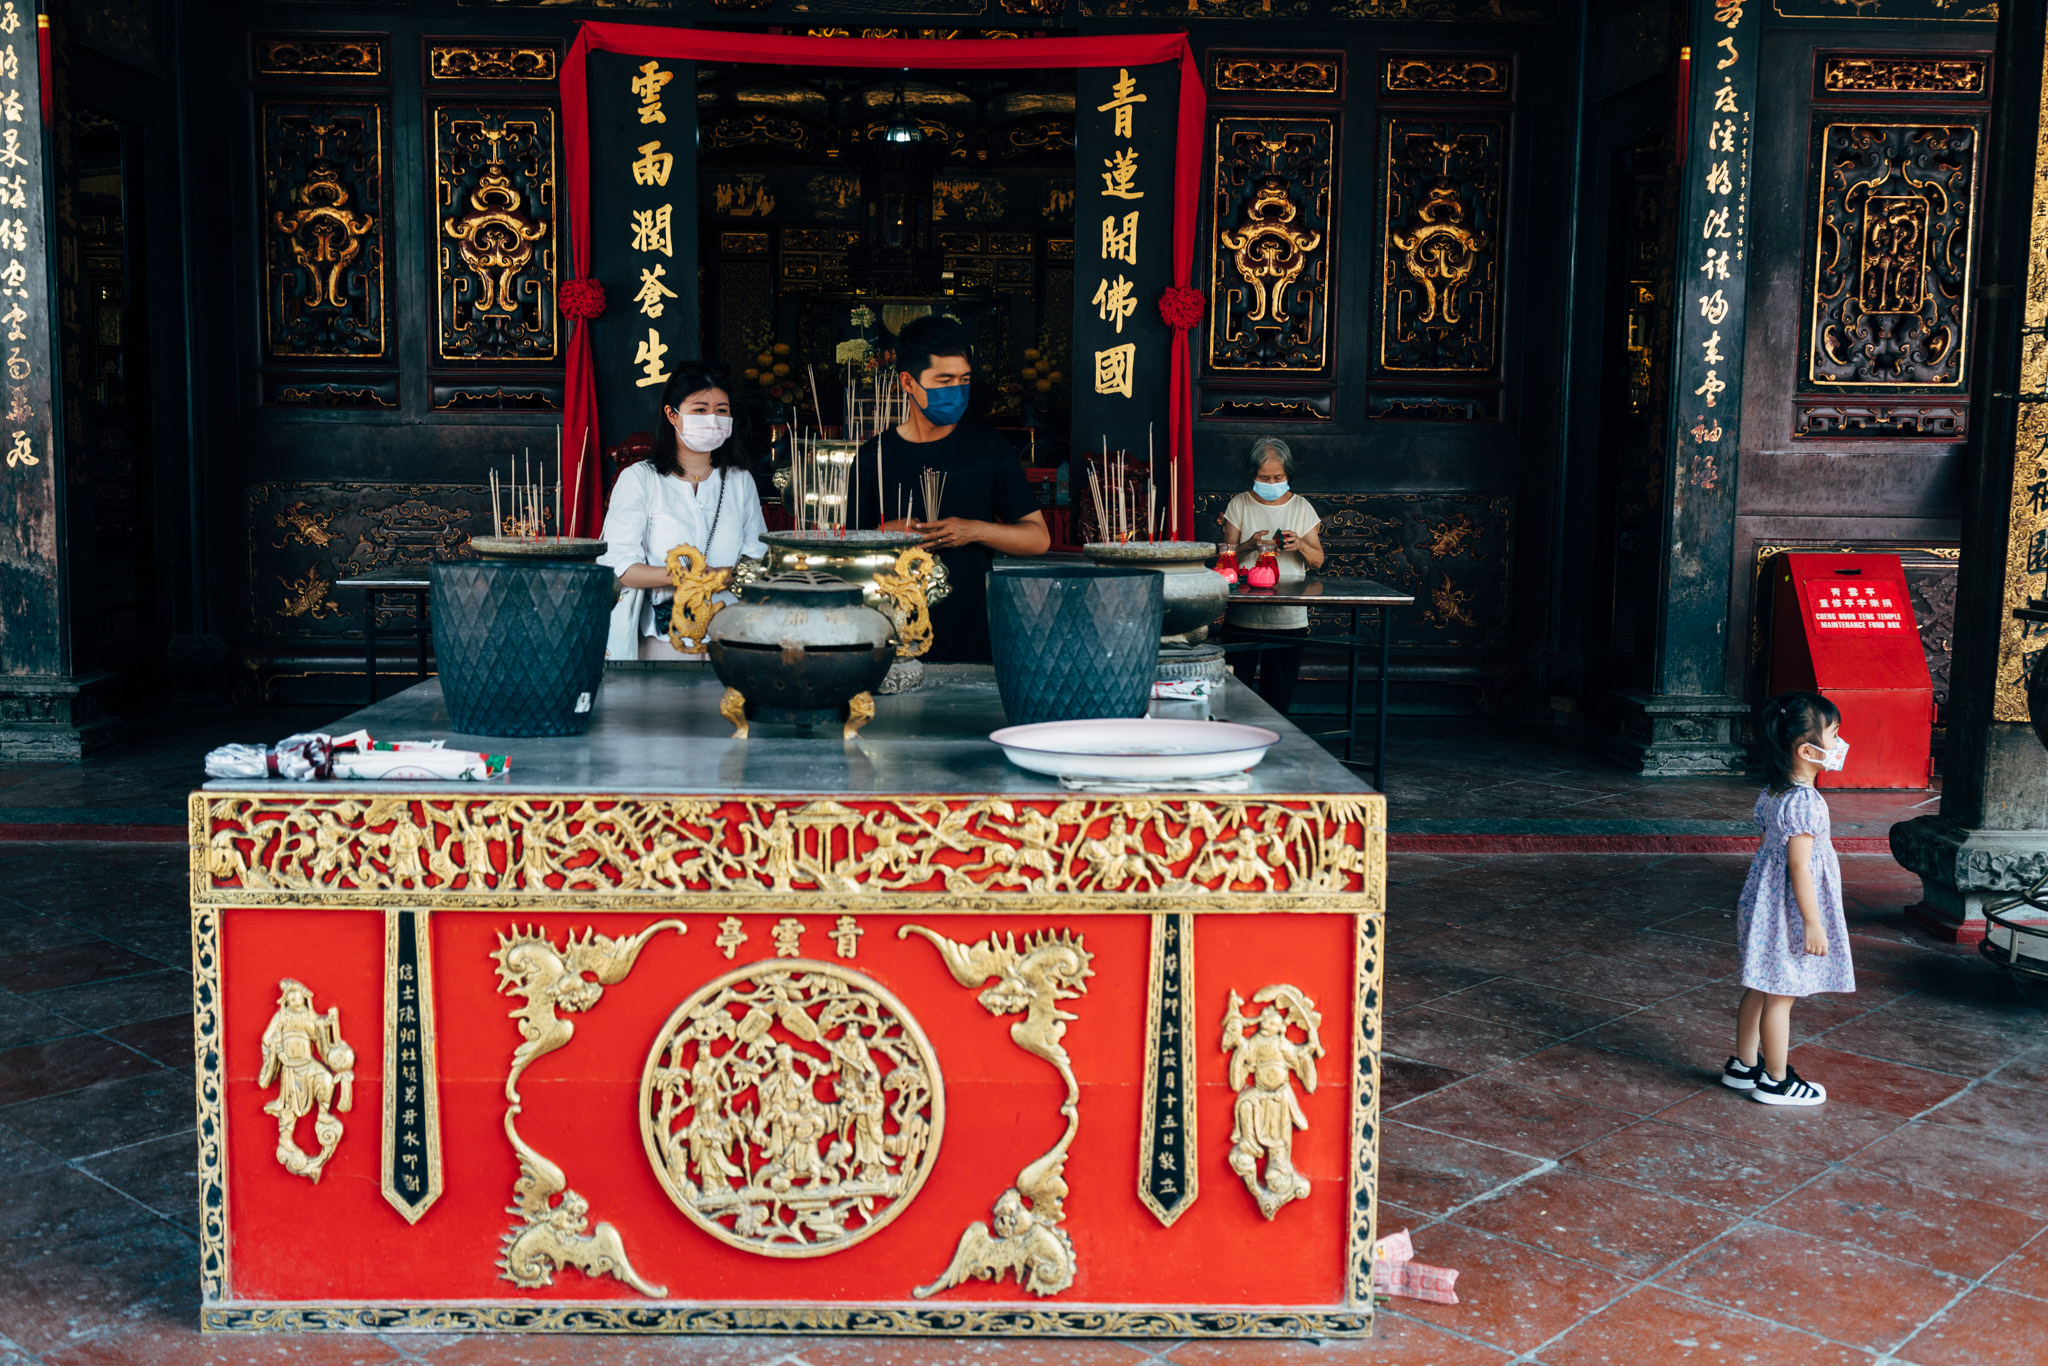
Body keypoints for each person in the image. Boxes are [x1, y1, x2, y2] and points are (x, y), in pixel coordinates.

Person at [852, 314, 1049, 662]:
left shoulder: (989, 448)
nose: (956, 391)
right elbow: (846, 556)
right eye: (944, 381)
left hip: (972, 624)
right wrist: (884, 535)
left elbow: (1038, 538)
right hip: (888, 629)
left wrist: (972, 530)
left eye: (964, 380)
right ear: (908, 383)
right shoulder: (873, 457)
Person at [1725, 690, 1855, 1106]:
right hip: (1786, 910)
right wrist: (1813, 921)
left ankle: (1744, 1066)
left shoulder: (1773, 792)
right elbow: (1799, 865)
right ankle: (1777, 1081)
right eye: (1834, 737)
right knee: (1781, 995)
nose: (1838, 746)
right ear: (1806, 749)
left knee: (1758, 985)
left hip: (1763, 900)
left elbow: (1769, 849)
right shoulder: (1806, 803)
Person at [600, 362, 767, 660]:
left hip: (732, 640)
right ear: (672, 415)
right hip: (662, 641)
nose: (713, 419)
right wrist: (679, 576)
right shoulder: (640, 479)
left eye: (722, 410)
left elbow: (759, 560)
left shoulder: (740, 480)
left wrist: (722, 575)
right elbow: (619, 566)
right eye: (700, 410)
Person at [1218, 437, 1324, 714]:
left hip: (1288, 617)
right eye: (1264, 477)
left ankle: (1275, 747)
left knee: (1278, 697)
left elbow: (1318, 561)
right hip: (1243, 615)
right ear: (1252, 474)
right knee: (1234, 695)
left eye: (1278, 476)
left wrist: (1300, 544)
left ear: (1289, 474)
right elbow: (1226, 558)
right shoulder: (1239, 504)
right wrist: (1250, 545)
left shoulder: (1301, 507)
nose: (1271, 482)